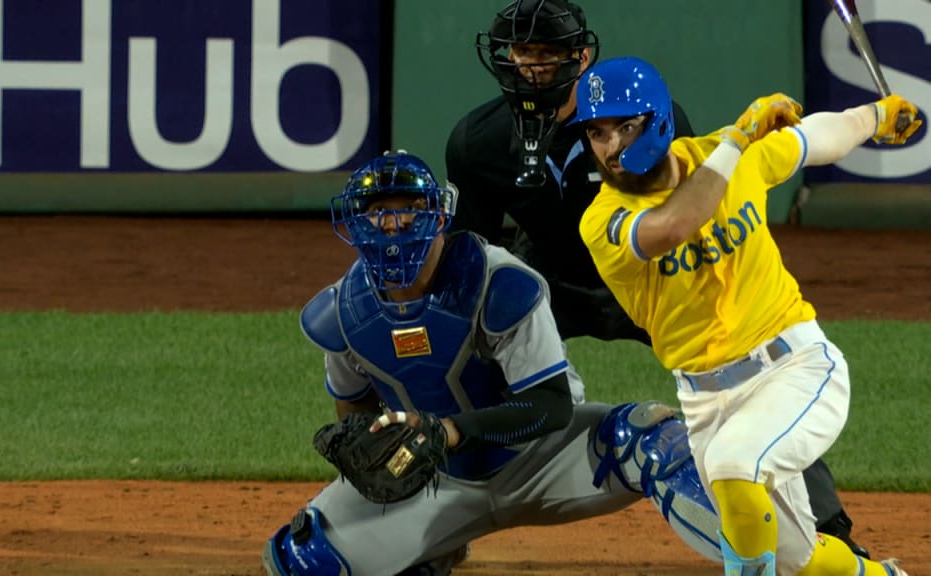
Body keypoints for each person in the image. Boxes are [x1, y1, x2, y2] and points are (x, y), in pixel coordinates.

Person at [445, 0, 872, 559]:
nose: (532, 67)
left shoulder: (643, 118)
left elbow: (693, 213)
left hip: (655, 278)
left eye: (547, 54)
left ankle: (828, 528)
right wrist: (494, 324)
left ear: (581, 57)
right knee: (468, 356)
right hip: (556, 277)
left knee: (757, 387)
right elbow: (474, 252)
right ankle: (449, 516)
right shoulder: (475, 143)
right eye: (523, 53)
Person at [262, 150, 728, 575]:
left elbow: (551, 407)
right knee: (302, 558)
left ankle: (766, 560)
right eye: (378, 211)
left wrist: (448, 432)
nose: (392, 224)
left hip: (543, 461)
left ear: (439, 215)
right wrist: (377, 457)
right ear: (356, 222)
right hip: (438, 484)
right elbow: (355, 412)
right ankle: (430, 552)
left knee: (650, 440)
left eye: (408, 209)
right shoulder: (341, 315)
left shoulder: (498, 282)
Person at [571, 56, 921, 575]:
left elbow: (815, 138)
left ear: (658, 118)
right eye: (597, 133)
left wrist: (875, 116)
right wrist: (738, 139)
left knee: (737, 465)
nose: (611, 147)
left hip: (795, 367)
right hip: (706, 404)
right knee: (798, 560)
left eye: (625, 126)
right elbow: (674, 225)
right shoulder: (604, 220)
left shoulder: (726, 155)